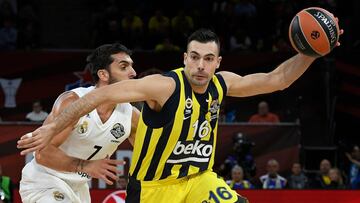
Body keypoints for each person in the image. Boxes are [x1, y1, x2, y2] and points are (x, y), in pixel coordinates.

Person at [18, 26, 343, 202]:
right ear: (185, 59)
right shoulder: (162, 86)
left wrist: (312, 51)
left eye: (208, 58)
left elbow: (278, 79)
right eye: (195, 57)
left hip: (196, 180)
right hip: (152, 190)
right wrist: (52, 128)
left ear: (218, 63)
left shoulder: (221, 85)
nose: (201, 65)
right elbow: (97, 96)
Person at [19, 43, 139, 203]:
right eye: (124, 67)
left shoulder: (131, 116)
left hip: (79, 188)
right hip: (45, 180)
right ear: (103, 74)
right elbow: (43, 154)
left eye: (132, 66)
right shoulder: (73, 102)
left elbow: (149, 154)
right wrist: (86, 166)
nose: (133, 73)